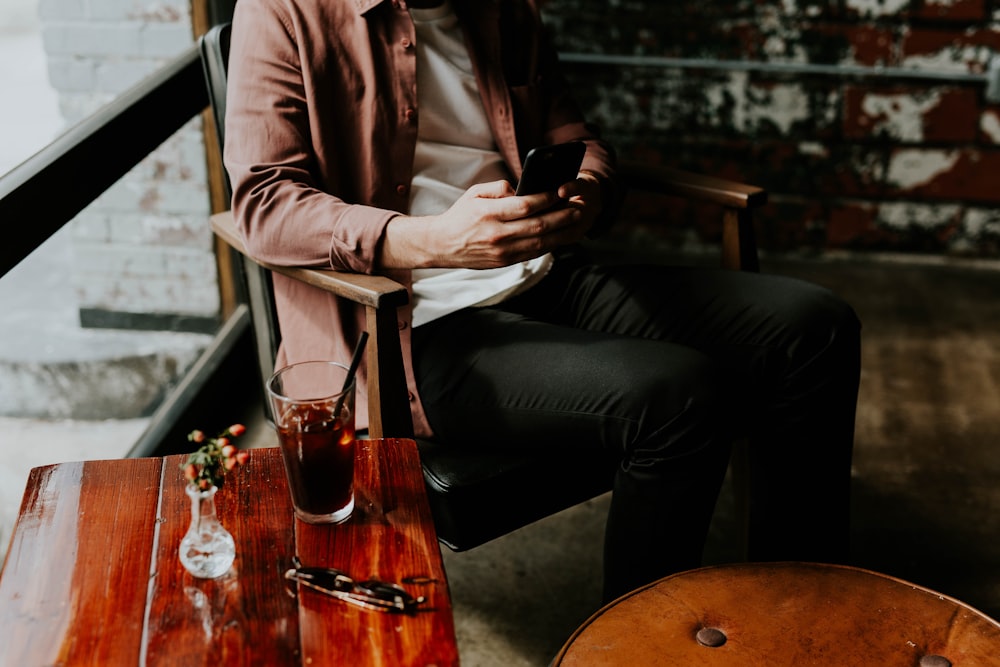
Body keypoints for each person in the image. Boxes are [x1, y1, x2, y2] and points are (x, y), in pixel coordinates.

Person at [224, 0, 862, 602]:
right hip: (413, 324)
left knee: (815, 327)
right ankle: (633, 648)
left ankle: (799, 601)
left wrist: (587, 191)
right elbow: (263, 202)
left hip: (544, 273)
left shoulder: (501, 6)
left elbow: (575, 136)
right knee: (679, 397)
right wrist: (433, 241)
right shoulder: (283, 9)